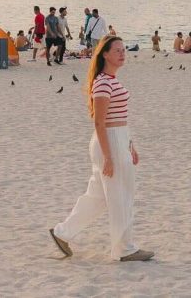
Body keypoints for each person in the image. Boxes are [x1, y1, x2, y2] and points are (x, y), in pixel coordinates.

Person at [51, 35, 153, 262]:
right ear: (105, 54)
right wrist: (108, 156)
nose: (122, 53)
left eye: (123, 50)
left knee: (98, 196)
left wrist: (131, 145)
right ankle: (124, 249)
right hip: (109, 142)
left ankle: (62, 232)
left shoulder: (111, 80)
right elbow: (99, 122)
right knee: (121, 196)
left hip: (118, 139)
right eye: (117, 50)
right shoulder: (103, 82)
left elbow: (119, 118)